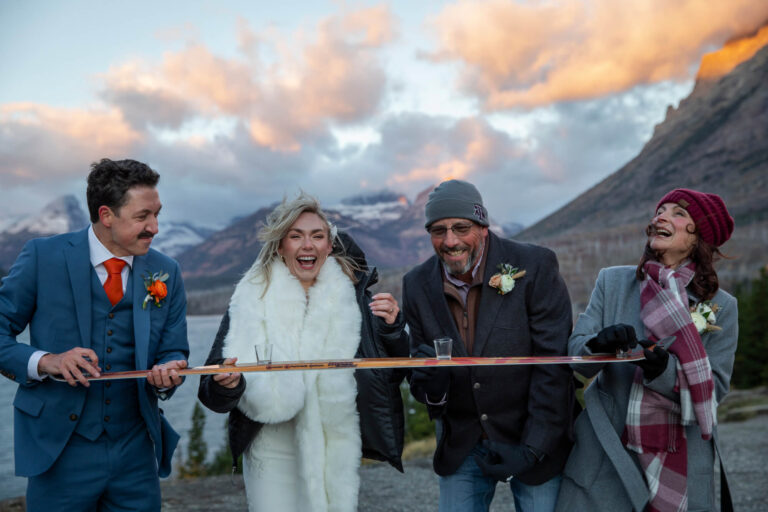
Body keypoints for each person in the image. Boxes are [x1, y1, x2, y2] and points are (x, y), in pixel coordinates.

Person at [197, 193, 408, 511]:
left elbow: (394, 374)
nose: (307, 245)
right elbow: (211, 386)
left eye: (317, 236)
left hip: (333, 441)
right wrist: (227, 384)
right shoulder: (250, 298)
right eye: (295, 236)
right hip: (269, 443)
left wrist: (392, 329)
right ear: (281, 247)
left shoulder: (355, 301)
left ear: (329, 246)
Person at [0, 158, 189, 511]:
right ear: (106, 215)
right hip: (58, 449)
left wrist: (167, 373)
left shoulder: (167, 271)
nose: (155, 228)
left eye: (157, 214)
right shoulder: (43, 257)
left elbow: (174, 349)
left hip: (136, 452)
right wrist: (46, 361)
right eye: (143, 217)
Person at [556, 189, 737, 512]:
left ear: (700, 238)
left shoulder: (721, 306)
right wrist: (597, 345)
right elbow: (575, 357)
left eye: (678, 213)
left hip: (680, 458)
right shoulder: (612, 282)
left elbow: (716, 389)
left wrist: (662, 371)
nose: (660, 217)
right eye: (659, 211)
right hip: (605, 458)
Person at [404, 179, 576, 512]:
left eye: (461, 228)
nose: (450, 241)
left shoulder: (536, 266)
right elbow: (422, 379)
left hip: (532, 432)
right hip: (463, 438)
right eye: (438, 231)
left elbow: (553, 364)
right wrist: (432, 387)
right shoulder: (415, 284)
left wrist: (534, 448)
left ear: (483, 226)